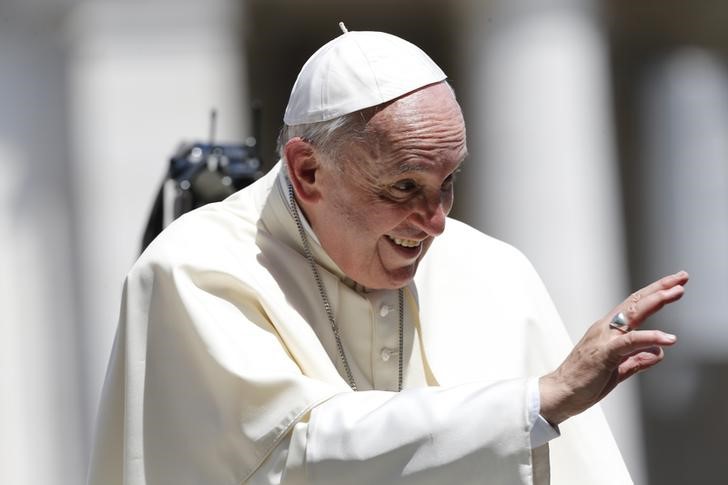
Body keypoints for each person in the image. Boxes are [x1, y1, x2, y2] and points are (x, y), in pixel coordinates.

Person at [87, 28, 688, 485]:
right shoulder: (197, 269)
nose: (435, 222)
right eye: (403, 187)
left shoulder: (494, 272)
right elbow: (291, 456)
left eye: (447, 181)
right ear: (308, 170)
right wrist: (536, 401)